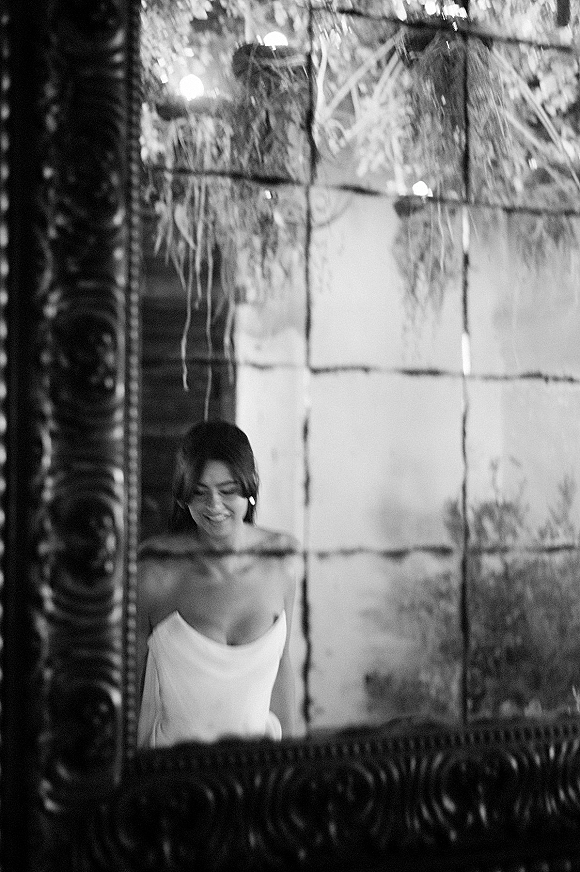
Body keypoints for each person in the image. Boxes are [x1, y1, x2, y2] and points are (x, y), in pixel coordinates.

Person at [137, 419, 298, 747]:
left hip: (259, 773)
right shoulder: (156, 571)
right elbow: (129, 683)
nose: (214, 506)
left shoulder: (282, 558)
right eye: (200, 492)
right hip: (172, 775)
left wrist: (293, 763)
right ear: (183, 496)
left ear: (249, 489)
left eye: (227, 491)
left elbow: (282, 665)